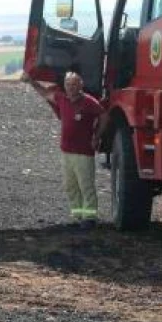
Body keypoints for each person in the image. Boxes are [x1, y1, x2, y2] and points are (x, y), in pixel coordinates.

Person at [20, 71, 109, 227]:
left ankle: (90, 217)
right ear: (65, 86)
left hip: (83, 152)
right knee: (70, 185)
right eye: (68, 84)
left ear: (81, 85)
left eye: (74, 84)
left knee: (86, 185)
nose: (71, 87)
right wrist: (31, 82)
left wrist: (97, 136)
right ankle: (78, 215)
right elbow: (45, 93)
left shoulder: (89, 102)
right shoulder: (61, 99)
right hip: (67, 151)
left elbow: (104, 116)